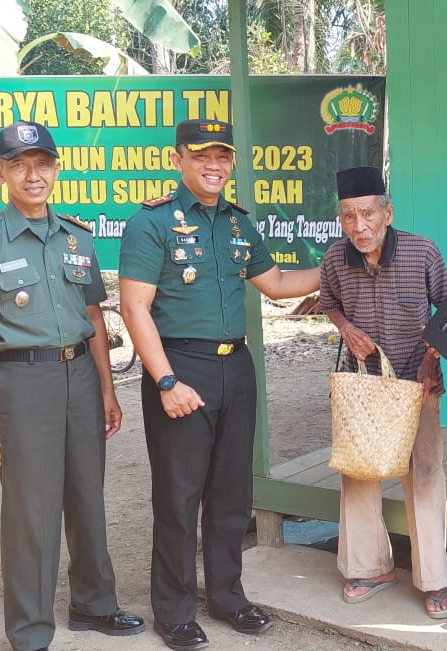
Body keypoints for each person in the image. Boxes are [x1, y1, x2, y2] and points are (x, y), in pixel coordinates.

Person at [118, 119, 320, 651]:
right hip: (181, 367)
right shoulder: (151, 223)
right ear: (178, 159)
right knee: (179, 497)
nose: (214, 165)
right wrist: (166, 380)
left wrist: (342, 264)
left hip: (237, 368)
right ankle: (175, 610)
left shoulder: (237, 224)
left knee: (232, 494)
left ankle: (228, 596)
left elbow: (277, 284)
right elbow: (134, 308)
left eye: (222, 156)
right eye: (202, 155)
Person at [0, 121, 144, 651]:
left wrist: (107, 390)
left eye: (42, 164)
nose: (33, 175)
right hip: (25, 382)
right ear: (0, 173)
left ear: (57, 168)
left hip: (81, 376)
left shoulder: (77, 237)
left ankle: (94, 605)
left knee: (87, 495)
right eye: (19, 165)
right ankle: (31, 631)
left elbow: (93, 317)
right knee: (31, 512)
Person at [318, 166, 447, 619]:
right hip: (362, 387)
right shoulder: (335, 259)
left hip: (418, 384)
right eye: (349, 217)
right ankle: (370, 568)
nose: (359, 226)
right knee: (358, 473)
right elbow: (329, 302)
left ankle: (434, 578)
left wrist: (431, 359)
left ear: (387, 213)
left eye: (368, 214)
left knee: (425, 474)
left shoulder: (422, 251)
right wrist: (346, 327)